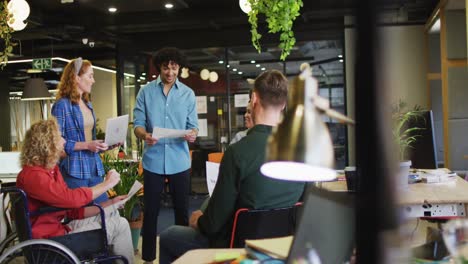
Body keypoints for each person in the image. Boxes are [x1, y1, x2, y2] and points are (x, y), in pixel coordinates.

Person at [158, 70, 306, 263]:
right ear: (284, 104)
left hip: (236, 246)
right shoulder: (301, 152)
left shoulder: (237, 152)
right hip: (282, 247)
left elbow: (212, 224)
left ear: (253, 99)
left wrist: (198, 221)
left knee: (170, 235)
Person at [16, 119, 134, 263]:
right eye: (60, 137)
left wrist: (110, 203)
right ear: (47, 145)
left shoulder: (51, 171)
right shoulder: (33, 176)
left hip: (61, 231)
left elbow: (72, 210)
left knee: (112, 213)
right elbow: (70, 199)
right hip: (50, 242)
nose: (64, 141)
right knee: (120, 225)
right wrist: (107, 184)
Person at [133, 47, 198, 263]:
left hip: (179, 160)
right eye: (165, 67)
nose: (170, 72)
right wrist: (145, 135)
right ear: (159, 68)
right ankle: (149, 258)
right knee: (151, 213)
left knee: (182, 211)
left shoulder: (188, 94)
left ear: (179, 67)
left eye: (174, 67)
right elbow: (138, 124)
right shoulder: (145, 92)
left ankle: (182, 257)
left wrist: (192, 135)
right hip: (153, 161)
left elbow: (193, 126)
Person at [51, 57, 111, 204]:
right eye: (90, 76)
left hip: (93, 165)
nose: (93, 80)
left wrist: (107, 144)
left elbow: (90, 140)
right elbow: (56, 142)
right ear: (77, 78)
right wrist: (87, 145)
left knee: (104, 208)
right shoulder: (62, 105)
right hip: (74, 168)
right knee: (79, 212)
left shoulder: (87, 104)